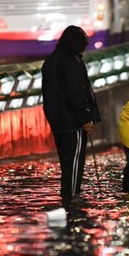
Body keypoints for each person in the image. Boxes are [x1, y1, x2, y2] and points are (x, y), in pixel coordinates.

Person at [41, 25, 101, 202]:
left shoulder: (51, 60)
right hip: (72, 121)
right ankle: (71, 196)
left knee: (66, 161)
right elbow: (76, 93)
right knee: (75, 161)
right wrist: (86, 118)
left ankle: (67, 194)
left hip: (57, 121)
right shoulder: (72, 62)